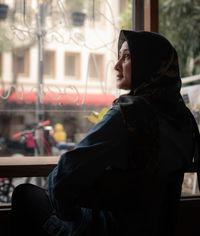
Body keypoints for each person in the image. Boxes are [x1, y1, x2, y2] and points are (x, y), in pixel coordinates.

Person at [11, 30, 200, 236]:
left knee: (24, 194)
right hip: (160, 228)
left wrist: (72, 218)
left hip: (107, 230)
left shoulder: (128, 115)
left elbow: (62, 180)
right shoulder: (185, 120)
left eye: (126, 57)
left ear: (149, 63)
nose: (116, 65)